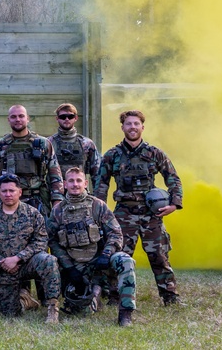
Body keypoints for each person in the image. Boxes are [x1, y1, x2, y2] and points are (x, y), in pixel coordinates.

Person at [94, 109, 183, 305]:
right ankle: (115, 297)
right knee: (119, 256)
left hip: (151, 214)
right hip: (124, 214)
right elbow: (101, 184)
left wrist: (174, 204)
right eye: (128, 124)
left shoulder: (154, 153)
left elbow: (173, 178)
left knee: (159, 256)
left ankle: (170, 297)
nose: (132, 127)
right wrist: (100, 212)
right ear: (122, 127)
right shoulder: (112, 155)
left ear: (142, 126)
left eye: (136, 124)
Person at [47, 167, 135, 326]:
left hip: (100, 260)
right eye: (71, 181)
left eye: (79, 180)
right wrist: (69, 268)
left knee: (126, 260)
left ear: (85, 183)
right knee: (82, 311)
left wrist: (106, 255)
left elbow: (116, 233)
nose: (75, 184)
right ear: (65, 184)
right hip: (74, 265)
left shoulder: (98, 206)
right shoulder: (58, 211)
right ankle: (65, 302)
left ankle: (125, 314)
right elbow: (52, 241)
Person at [0, 173, 61, 323]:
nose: (8, 194)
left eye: (12, 191)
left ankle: (52, 307)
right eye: (4, 191)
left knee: (49, 260)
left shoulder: (32, 214)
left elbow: (41, 241)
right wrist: (2, 261)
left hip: (27, 263)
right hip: (2, 267)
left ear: (19, 192)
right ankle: (25, 299)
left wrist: (18, 258)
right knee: (9, 312)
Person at [0, 104, 63, 217]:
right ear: (8, 119)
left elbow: (55, 174)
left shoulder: (43, 144)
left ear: (27, 118)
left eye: (21, 116)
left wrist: (57, 200)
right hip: (6, 202)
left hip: (36, 201)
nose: (18, 119)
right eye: (13, 117)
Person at [48, 103, 101, 192]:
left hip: (80, 194)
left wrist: (98, 197)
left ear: (76, 118)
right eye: (63, 117)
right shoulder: (49, 143)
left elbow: (97, 174)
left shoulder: (86, 143)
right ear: (57, 119)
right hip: (55, 196)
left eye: (70, 116)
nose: (67, 119)